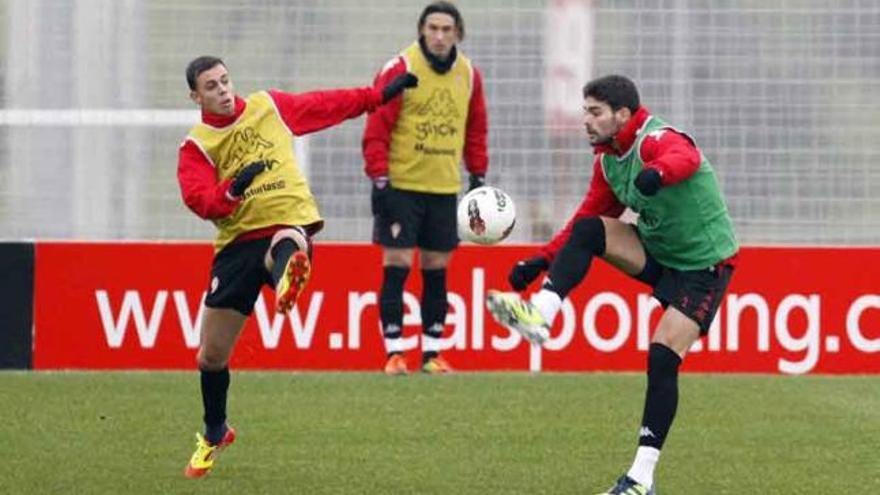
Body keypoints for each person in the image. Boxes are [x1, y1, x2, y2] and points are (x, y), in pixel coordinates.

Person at [486, 75, 738, 495]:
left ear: (622, 115)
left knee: (661, 358)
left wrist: (657, 173)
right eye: (585, 111)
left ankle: (641, 478)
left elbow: (686, 158)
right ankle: (541, 315)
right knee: (588, 229)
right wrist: (540, 259)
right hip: (659, 253)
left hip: (703, 265)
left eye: (594, 112)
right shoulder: (607, 160)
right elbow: (586, 215)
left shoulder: (654, 140)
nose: (585, 120)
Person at [177, 55, 417, 478]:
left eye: (226, 81)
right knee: (211, 356)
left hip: (287, 219)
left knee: (286, 240)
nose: (224, 91)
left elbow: (325, 104)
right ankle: (215, 430)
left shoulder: (269, 107)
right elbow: (199, 199)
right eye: (211, 87)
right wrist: (232, 189)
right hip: (236, 243)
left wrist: (376, 96)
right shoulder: (197, 145)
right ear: (196, 96)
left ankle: (289, 270)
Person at [363, 1, 489, 375]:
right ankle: (393, 353)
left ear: (458, 34)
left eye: (446, 29)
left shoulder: (468, 74)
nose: (438, 36)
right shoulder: (400, 69)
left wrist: (477, 174)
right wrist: (379, 178)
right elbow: (376, 126)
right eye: (432, 28)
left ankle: (432, 354)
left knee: (436, 269)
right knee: (397, 263)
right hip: (401, 185)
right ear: (421, 31)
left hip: (443, 188)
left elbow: (476, 128)